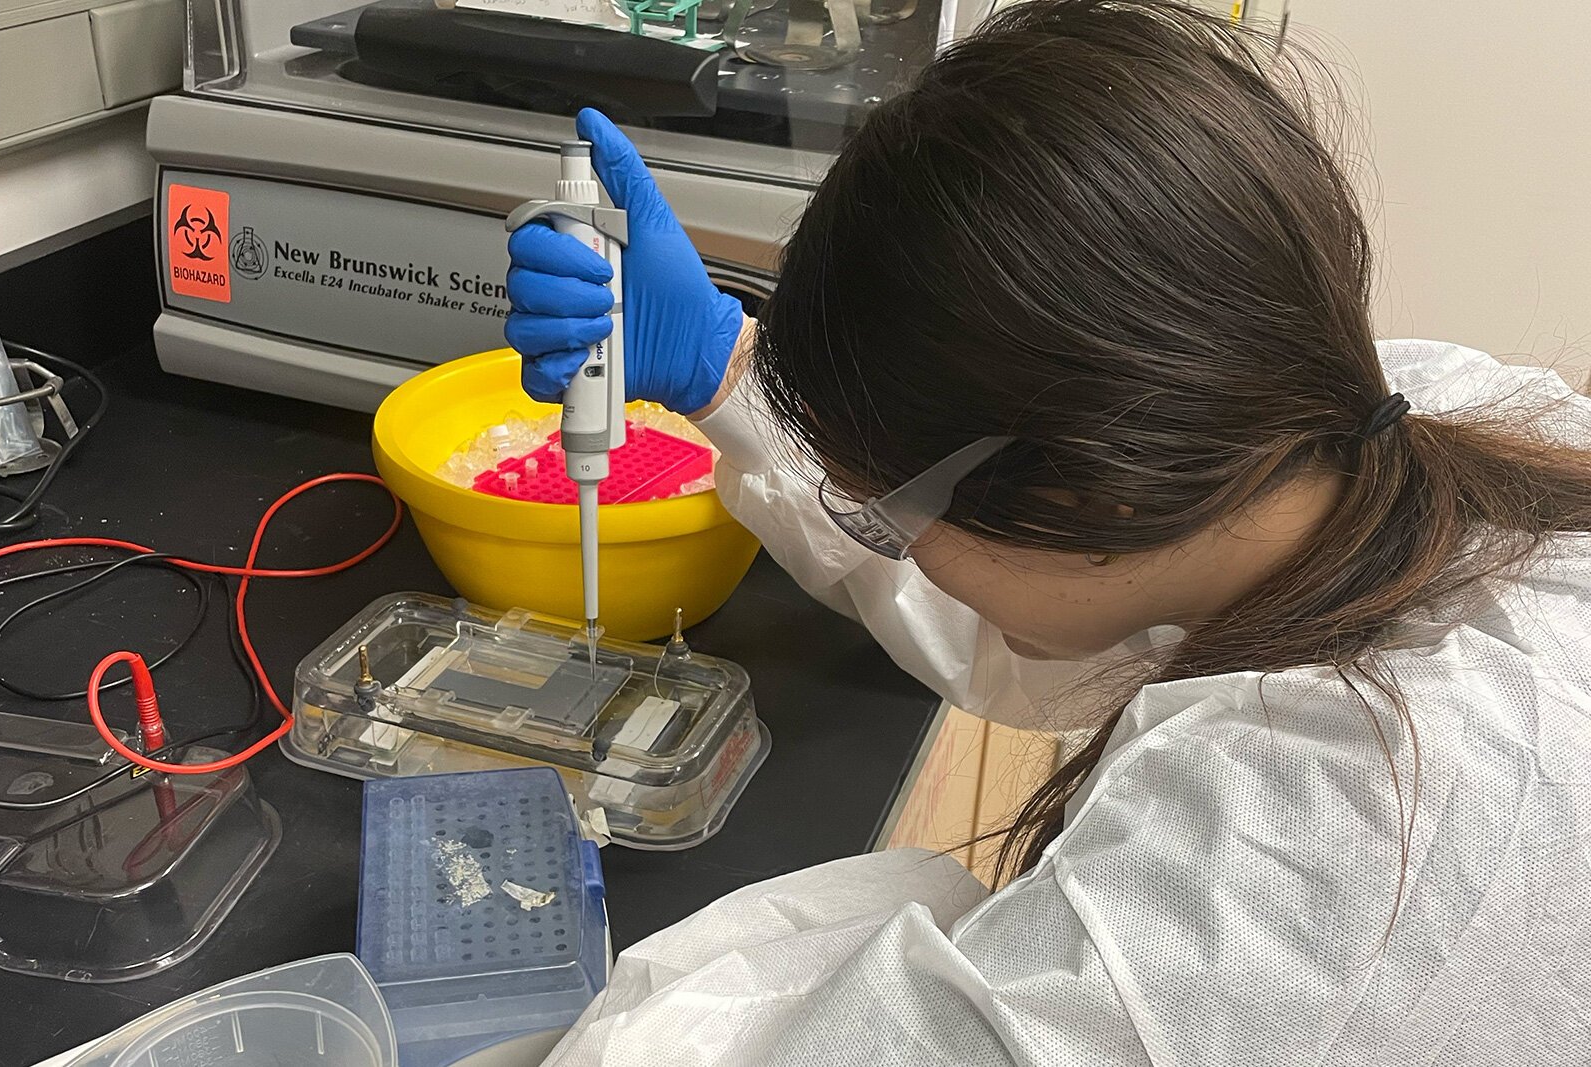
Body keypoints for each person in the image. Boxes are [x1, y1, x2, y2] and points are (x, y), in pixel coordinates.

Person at [504, 1, 1591, 1062]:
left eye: (890, 516)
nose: (900, 546)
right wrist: (727, 375)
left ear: (1097, 491)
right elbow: (1074, 620)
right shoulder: (1362, 417)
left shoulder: (1305, 861)